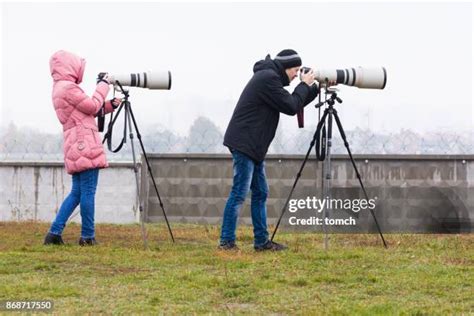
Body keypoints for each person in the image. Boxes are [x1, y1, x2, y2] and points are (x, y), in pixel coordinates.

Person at [220, 49, 319, 251]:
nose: (296, 76)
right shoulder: (268, 78)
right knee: (239, 193)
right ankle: (226, 241)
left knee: (260, 193)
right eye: (296, 70)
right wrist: (305, 85)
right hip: (245, 143)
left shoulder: (269, 77)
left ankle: (261, 242)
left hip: (253, 145)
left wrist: (315, 88)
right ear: (287, 67)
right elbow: (291, 105)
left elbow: (292, 103)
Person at [44, 50, 120, 246]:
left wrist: (110, 105)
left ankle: (54, 233)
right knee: (87, 191)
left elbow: (86, 111)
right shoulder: (69, 88)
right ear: (69, 66)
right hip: (83, 143)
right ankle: (87, 236)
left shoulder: (59, 88)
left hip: (75, 144)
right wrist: (104, 85)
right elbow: (92, 106)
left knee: (77, 192)